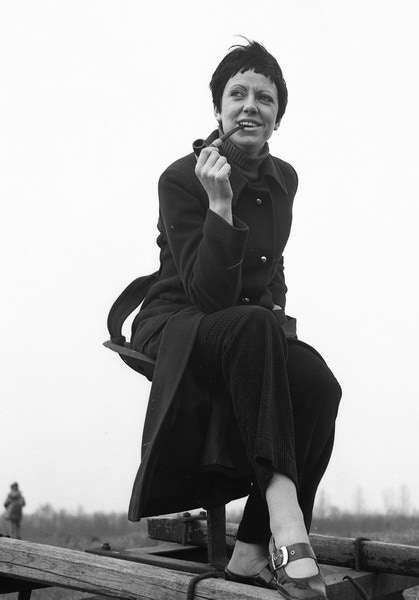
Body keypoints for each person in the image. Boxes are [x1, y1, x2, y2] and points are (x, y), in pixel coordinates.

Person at [127, 40, 342, 599]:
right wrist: (219, 203)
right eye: (237, 94)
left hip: (250, 327)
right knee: (253, 325)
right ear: (218, 109)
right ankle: (287, 526)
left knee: (319, 383)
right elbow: (207, 295)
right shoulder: (181, 178)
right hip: (179, 321)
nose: (250, 106)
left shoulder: (284, 178)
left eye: (264, 98)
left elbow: (274, 266)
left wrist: (278, 317)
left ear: (278, 116)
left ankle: (248, 554)